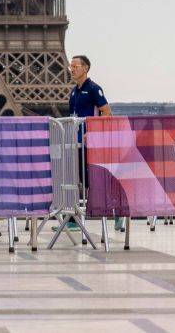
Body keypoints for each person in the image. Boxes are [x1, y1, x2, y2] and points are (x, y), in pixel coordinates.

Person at [68, 55, 112, 229]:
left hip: (89, 144)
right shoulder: (73, 91)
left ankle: (116, 211)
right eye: (71, 66)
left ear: (85, 68)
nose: (72, 69)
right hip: (75, 142)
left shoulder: (94, 89)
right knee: (76, 179)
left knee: (91, 180)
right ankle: (73, 218)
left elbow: (107, 114)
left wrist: (91, 132)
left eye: (75, 66)